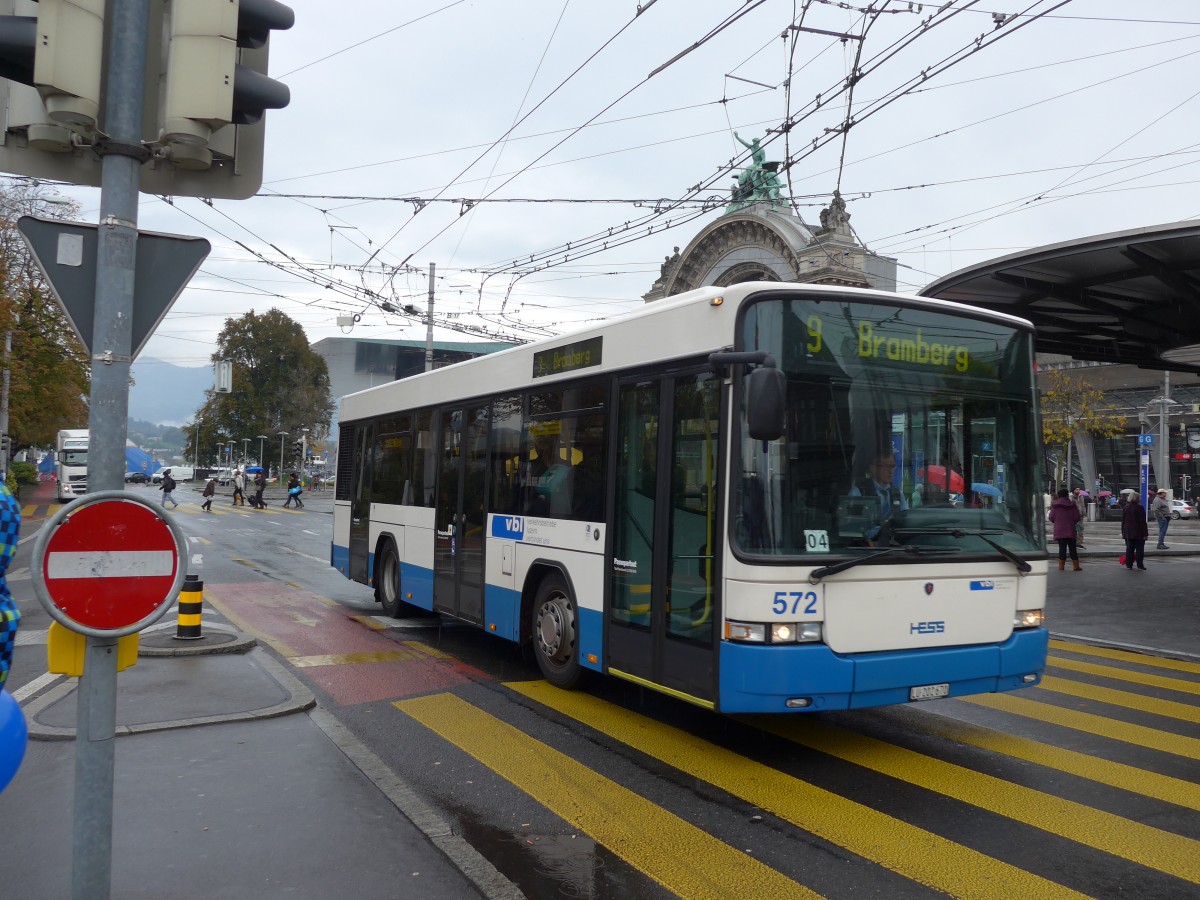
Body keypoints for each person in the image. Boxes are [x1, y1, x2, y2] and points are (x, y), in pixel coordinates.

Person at [849, 451, 907, 542]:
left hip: (893, 548)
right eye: (886, 466)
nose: (890, 471)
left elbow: (905, 520)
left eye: (892, 466)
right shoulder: (860, 491)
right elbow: (852, 525)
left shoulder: (898, 494)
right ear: (873, 468)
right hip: (865, 549)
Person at [1048, 489, 1082, 571]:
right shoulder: (1072, 505)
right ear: (1067, 495)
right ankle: (1076, 566)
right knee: (1073, 548)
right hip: (1070, 529)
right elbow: (1077, 517)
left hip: (1060, 530)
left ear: (1059, 495)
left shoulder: (1055, 505)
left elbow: (1051, 518)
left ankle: (1061, 566)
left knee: (1062, 548)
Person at [1122, 493, 1149, 570]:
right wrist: (1145, 534)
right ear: (1137, 498)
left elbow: (1123, 521)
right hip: (1138, 532)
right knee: (1139, 549)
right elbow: (1142, 522)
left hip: (1128, 532)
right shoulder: (1140, 508)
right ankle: (1140, 565)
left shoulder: (1126, 507)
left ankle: (1129, 564)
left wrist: (1123, 532)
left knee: (1129, 549)